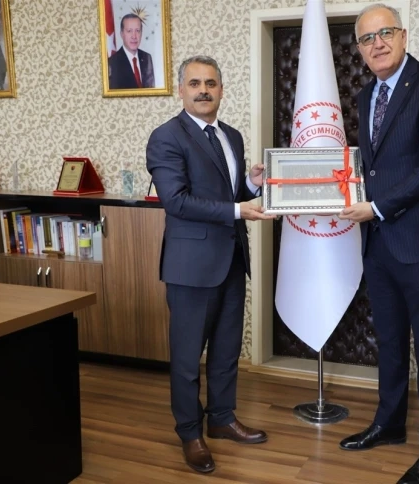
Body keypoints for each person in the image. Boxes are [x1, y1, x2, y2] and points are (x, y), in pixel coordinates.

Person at [338, 4, 419, 484]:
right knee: (388, 341)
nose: (377, 44)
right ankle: (389, 424)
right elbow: (371, 167)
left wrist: (376, 208)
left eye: (385, 33)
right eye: (367, 38)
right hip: (379, 243)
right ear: (360, 49)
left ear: (404, 35)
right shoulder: (365, 94)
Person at [146, 55, 275, 474]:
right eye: (195, 83)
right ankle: (190, 433)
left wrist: (251, 183)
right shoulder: (166, 137)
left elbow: (229, 194)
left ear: (221, 89)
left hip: (231, 260)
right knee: (187, 358)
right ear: (180, 90)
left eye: (211, 83)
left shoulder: (231, 136)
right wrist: (239, 209)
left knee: (225, 349)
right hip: (191, 266)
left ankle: (221, 418)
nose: (204, 90)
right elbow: (176, 201)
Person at [108, 14, 155, 89]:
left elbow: (151, 89)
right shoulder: (112, 62)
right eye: (129, 31)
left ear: (141, 33)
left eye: (137, 31)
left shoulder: (147, 58)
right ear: (122, 34)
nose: (134, 36)